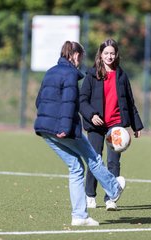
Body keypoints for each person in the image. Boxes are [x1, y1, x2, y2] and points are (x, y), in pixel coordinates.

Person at [34, 41, 126, 226]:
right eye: (81, 57)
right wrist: (64, 129)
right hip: (63, 129)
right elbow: (68, 104)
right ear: (75, 55)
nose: (80, 61)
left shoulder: (51, 71)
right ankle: (114, 189)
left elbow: (39, 101)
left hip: (44, 129)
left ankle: (79, 216)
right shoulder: (69, 74)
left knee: (76, 167)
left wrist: (49, 123)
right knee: (93, 157)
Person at [79, 38, 144, 211]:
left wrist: (136, 126)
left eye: (112, 53)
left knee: (114, 162)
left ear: (116, 55)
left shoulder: (122, 76)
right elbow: (82, 100)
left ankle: (111, 197)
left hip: (116, 125)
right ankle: (90, 196)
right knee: (95, 160)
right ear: (100, 54)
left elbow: (129, 101)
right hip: (97, 125)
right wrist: (91, 115)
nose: (109, 56)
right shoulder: (92, 75)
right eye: (106, 53)